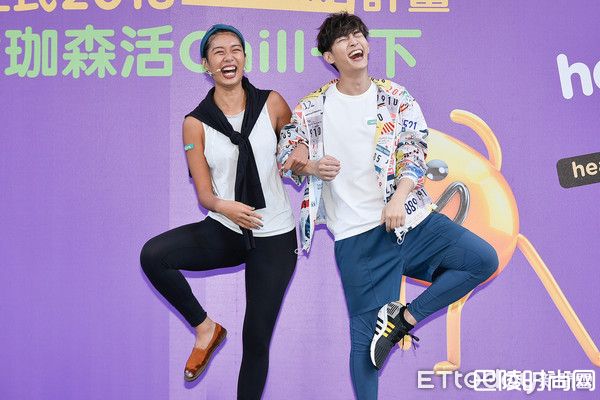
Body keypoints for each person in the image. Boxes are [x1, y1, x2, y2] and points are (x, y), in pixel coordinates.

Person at [278, 13, 498, 400]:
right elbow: (286, 156)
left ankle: (403, 320)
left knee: (482, 259)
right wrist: (310, 166)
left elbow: (414, 150)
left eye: (358, 35)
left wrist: (400, 196)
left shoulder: (396, 97)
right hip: (357, 238)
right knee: (364, 343)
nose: (354, 42)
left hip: (411, 221)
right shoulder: (313, 107)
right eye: (343, 39)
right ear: (329, 56)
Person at [140, 24, 297, 400]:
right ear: (206, 65)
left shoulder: (273, 103)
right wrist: (226, 207)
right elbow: (205, 195)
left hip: (274, 236)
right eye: (218, 52)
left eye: (235, 50)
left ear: (244, 58)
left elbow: (295, 152)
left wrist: (304, 161)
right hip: (227, 228)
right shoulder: (194, 124)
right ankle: (206, 329)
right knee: (154, 255)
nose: (229, 58)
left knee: (256, 338)